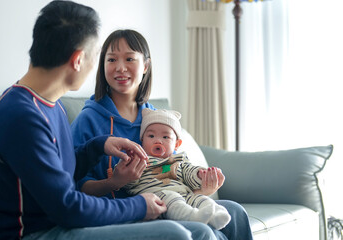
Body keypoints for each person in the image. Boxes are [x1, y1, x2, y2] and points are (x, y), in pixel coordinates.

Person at [0, 2, 196, 240]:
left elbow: (63, 173)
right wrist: (139, 205)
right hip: (37, 233)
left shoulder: (49, 104)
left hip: (61, 224)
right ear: (77, 60)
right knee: (175, 235)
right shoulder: (21, 117)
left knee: (204, 231)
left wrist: (99, 145)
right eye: (100, 57)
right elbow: (68, 207)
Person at [71, 29, 254, 240]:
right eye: (111, 59)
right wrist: (115, 182)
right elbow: (76, 189)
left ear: (146, 66)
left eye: (129, 58)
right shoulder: (88, 120)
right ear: (103, 66)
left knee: (235, 212)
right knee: (205, 232)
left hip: (168, 203)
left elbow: (171, 170)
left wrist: (201, 188)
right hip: (125, 213)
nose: (120, 68)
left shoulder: (156, 118)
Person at [124, 108, 231, 230]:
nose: (158, 140)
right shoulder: (140, 159)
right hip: (156, 198)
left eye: (165, 137)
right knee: (172, 198)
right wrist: (129, 167)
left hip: (184, 195)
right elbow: (128, 183)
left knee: (200, 199)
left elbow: (190, 173)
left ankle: (217, 215)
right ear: (142, 140)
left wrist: (200, 175)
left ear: (176, 144)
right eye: (151, 136)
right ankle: (193, 217)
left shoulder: (179, 160)